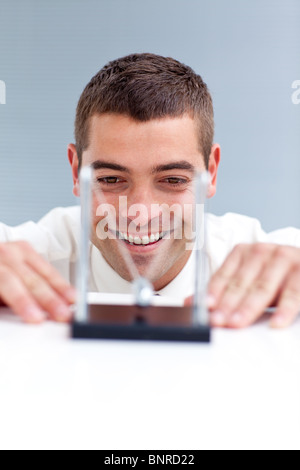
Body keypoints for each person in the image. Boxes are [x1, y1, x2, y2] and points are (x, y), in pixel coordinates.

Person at [0, 53, 300, 329]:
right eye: (111, 180)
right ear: (76, 170)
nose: (140, 215)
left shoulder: (265, 268)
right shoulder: (31, 262)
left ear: (211, 171)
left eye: (173, 180)